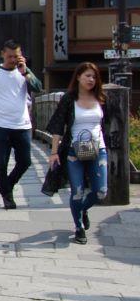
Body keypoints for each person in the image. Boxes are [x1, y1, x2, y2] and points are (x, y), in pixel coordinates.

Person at [45, 61, 119, 245]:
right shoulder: (69, 99)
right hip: (73, 151)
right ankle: (78, 227)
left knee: (101, 191)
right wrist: (54, 153)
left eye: (94, 77)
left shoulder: (101, 98)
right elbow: (57, 126)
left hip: (98, 149)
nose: (91, 79)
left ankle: (83, 209)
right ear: (78, 77)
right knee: (77, 191)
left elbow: (108, 123)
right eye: (87, 75)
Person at [0, 39, 43, 210]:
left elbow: (38, 87)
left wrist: (25, 73)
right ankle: (7, 196)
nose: (13, 59)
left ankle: (9, 184)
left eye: (16, 56)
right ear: (2, 54)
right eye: (9, 56)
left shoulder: (24, 71)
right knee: (1, 162)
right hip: (1, 124)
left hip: (22, 124)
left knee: (25, 161)